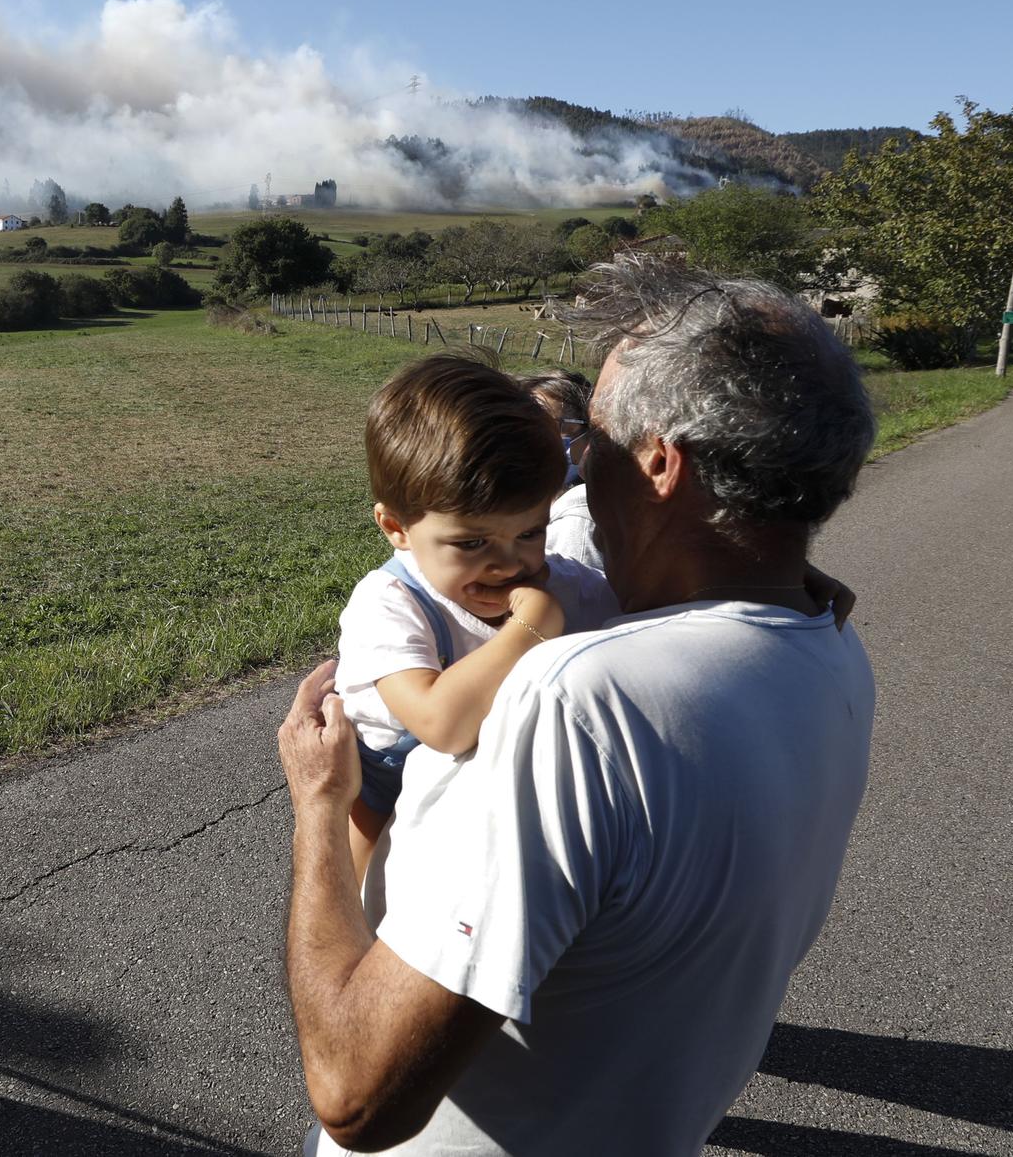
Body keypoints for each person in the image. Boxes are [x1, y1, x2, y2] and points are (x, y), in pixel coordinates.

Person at [281, 262, 878, 1155]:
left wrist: (318, 805)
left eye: (589, 443)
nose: (570, 480)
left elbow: (354, 1094)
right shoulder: (830, 646)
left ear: (660, 464)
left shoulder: (579, 706)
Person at [334, 355, 617, 885]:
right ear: (396, 527)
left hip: (503, 788)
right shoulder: (390, 605)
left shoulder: (567, 582)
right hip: (388, 790)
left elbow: (661, 623)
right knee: (367, 894)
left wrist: (774, 587)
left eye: (530, 533)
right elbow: (441, 724)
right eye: (472, 543)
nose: (509, 563)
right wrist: (533, 628)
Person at [517, 368, 605, 571]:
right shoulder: (530, 505)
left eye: (550, 424)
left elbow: (575, 600)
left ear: (589, 433)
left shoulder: (578, 521)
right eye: (524, 423)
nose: (531, 436)